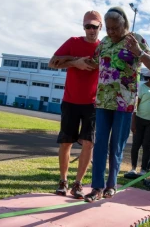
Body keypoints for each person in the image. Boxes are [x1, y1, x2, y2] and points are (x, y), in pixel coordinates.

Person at [82, 6, 150, 202]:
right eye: (107, 28)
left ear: (124, 23)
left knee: (116, 144)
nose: (111, 32)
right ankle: (96, 187)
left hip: (124, 102)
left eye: (115, 28)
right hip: (102, 101)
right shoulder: (105, 42)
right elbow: (93, 62)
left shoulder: (136, 39)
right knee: (100, 143)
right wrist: (71, 61)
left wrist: (139, 52)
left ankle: (111, 185)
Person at [48, 10, 102, 199]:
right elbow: (52, 63)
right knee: (66, 142)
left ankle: (78, 184)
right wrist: (75, 62)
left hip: (93, 103)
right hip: (70, 101)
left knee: (88, 143)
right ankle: (63, 181)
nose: (91, 29)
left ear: (100, 27)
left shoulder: (103, 47)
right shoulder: (73, 42)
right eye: (88, 26)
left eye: (94, 26)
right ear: (83, 27)